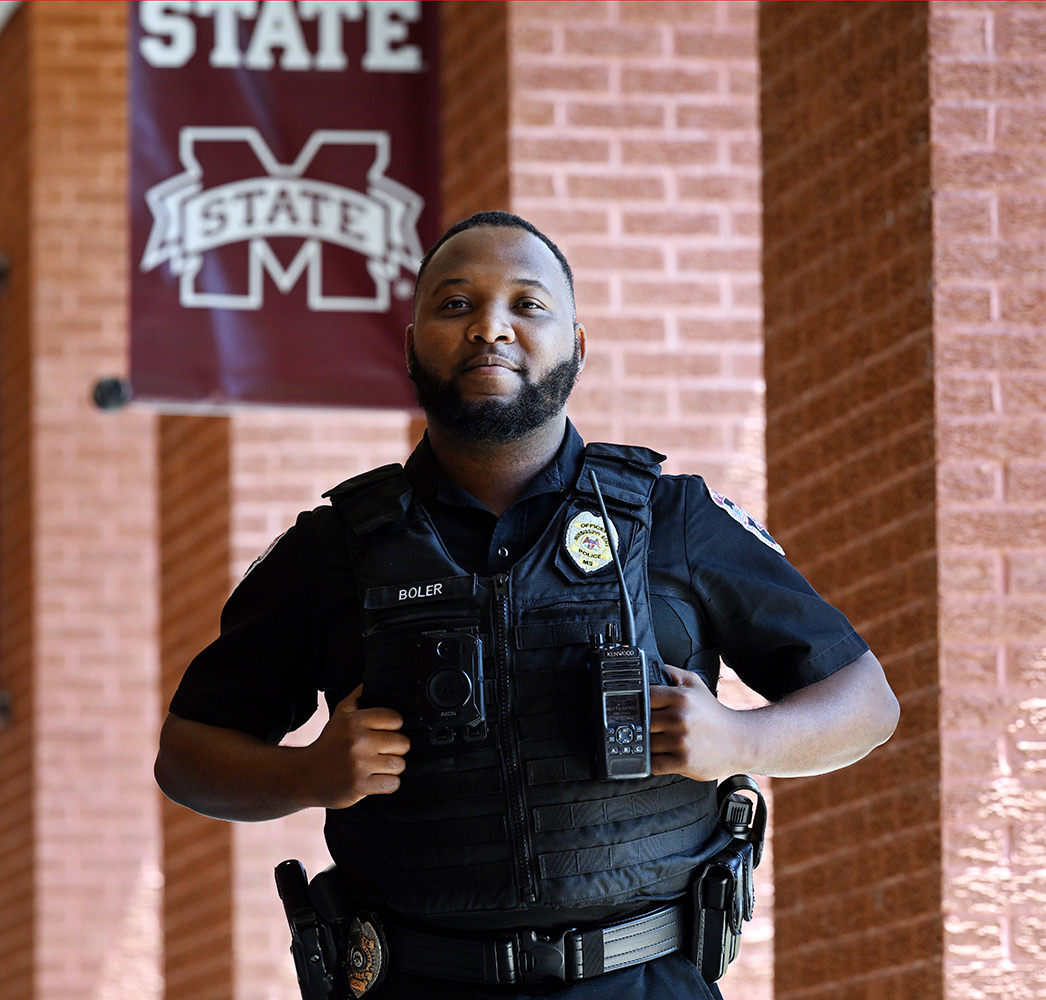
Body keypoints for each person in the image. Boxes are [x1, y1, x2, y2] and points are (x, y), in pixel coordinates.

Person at [156, 211, 900, 998]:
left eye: (527, 304)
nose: (490, 329)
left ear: (576, 348)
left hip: (639, 979)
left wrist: (741, 737)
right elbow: (187, 756)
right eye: (455, 306)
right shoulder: (334, 547)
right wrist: (307, 773)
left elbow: (867, 702)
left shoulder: (672, 520)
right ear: (411, 346)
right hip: (416, 979)